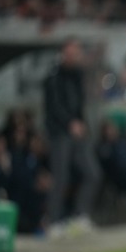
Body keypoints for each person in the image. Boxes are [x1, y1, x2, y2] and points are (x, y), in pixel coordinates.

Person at [43, 37, 102, 238]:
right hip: (60, 133)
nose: (75, 56)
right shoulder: (53, 77)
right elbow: (54, 107)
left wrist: (81, 123)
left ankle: (79, 216)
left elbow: (80, 104)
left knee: (93, 173)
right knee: (60, 177)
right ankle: (53, 221)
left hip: (78, 132)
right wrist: (70, 123)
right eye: (71, 52)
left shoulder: (78, 75)